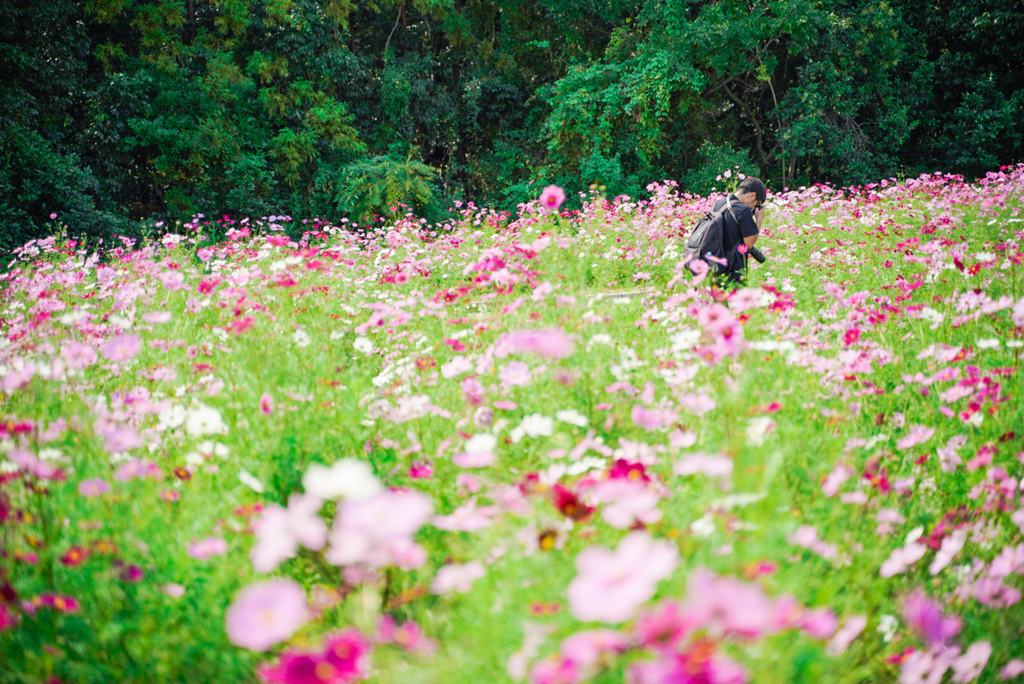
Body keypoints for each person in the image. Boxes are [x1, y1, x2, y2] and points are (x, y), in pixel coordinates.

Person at [712, 176, 766, 286]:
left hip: (714, 265)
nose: (754, 207)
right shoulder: (743, 209)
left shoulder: (719, 203)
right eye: (756, 203)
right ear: (752, 195)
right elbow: (749, 244)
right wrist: (759, 219)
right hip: (733, 268)